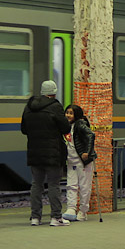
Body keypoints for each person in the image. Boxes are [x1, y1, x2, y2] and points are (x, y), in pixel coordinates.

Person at [21, 80, 71, 226]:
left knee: (36, 184)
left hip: (34, 151)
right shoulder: (55, 106)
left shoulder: (29, 107)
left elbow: (24, 129)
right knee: (54, 184)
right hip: (52, 152)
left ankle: (35, 217)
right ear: (54, 92)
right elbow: (65, 128)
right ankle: (56, 217)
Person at [62, 104, 97, 222]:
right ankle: (71, 208)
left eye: (71, 113)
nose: (68, 115)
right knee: (71, 185)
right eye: (67, 112)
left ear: (76, 115)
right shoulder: (68, 126)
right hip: (71, 161)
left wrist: (87, 152)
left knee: (84, 186)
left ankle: (83, 211)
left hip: (83, 162)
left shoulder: (80, 124)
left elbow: (91, 135)